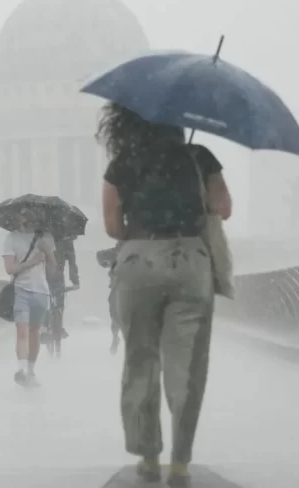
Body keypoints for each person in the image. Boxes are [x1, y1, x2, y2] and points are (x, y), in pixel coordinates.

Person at [98, 102, 232, 487]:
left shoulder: (123, 162)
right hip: (190, 260)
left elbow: (111, 225)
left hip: (139, 258)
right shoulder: (199, 157)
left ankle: (149, 456)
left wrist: (143, 231)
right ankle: (180, 463)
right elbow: (223, 207)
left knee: (140, 360)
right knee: (187, 365)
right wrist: (193, 199)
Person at [2, 207, 57, 387]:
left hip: (41, 291)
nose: (25, 218)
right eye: (22, 214)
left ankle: (31, 371)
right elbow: (10, 269)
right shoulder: (11, 238)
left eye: (29, 214)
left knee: (34, 333)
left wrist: (47, 252)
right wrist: (32, 262)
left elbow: (52, 270)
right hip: (21, 290)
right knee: (22, 332)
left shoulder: (46, 237)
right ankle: (21, 369)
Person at [46, 234, 80, 342]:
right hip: (58, 276)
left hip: (42, 274)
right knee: (59, 302)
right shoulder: (67, 241)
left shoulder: (43, 236)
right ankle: (59, 326)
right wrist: (75, 281)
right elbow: (72, 263)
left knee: (43, 300)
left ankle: (43, 327)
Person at [96, 244, 122, 353]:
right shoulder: (115, 252)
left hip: (132, 287)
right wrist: (104, 263)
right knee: (114, 312)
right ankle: (115, 337)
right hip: (118, 287)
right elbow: (100, 255)